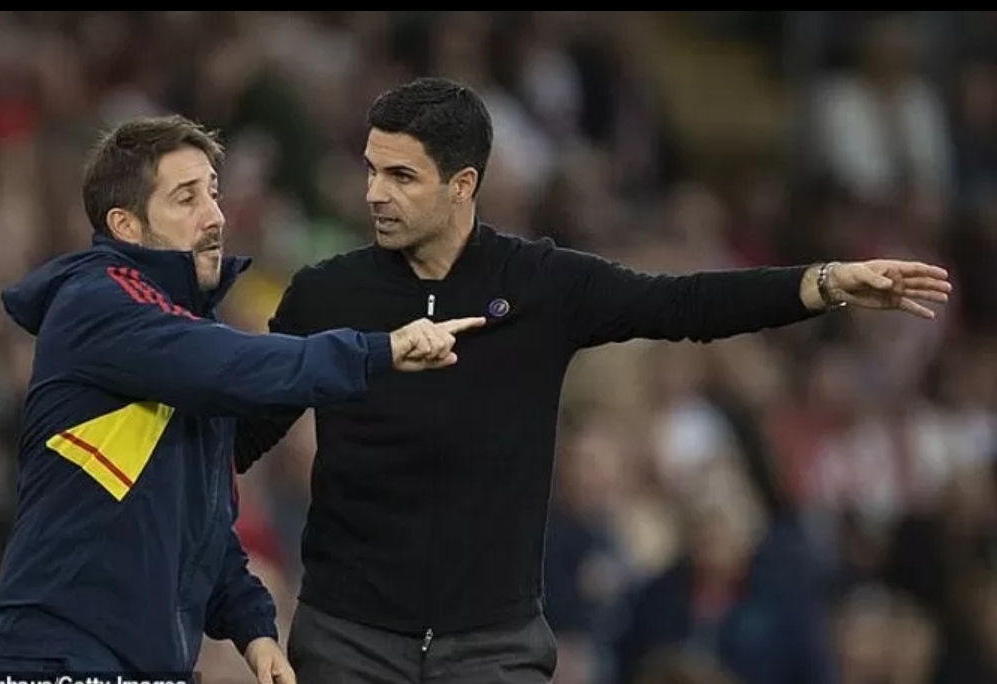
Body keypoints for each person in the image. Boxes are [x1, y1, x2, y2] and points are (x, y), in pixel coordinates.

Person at [234, 77, 953, 684]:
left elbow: (683, 305)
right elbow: (245, 433)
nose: (374, 194)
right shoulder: (325, 295)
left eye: (401, 176)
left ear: (462, 185)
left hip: (493, 649)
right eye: (370, 170)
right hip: (348, 641)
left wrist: (823, 283)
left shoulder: (541, 285)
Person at [0, 114, 483, 680]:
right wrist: (376, 350)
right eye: (186, 198)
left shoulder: (185, 340)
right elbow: (238, 364)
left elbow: (204, 527)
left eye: (213, 193)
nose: (215, 216)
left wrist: (254, 632)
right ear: (126, 225)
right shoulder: (98, 301)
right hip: (62, 658)